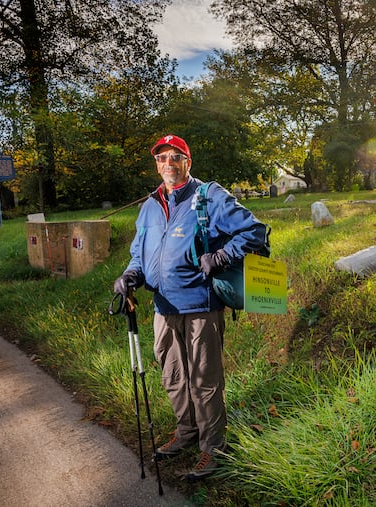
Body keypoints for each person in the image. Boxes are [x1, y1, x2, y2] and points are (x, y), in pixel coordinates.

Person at [113, 134, 269, 480]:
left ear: (188, 162)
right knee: (173, 376)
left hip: (201, 305)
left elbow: (255, 231)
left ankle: (214, 449)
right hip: (162, 307)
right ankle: (187, 433)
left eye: (175, 157)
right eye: (161, 158)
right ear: (156, 164)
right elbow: (139, 253)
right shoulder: (150, 205)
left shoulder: (209, 196)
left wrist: (222, 255)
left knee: (204, 380)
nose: (168, 164)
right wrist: (129, 277)